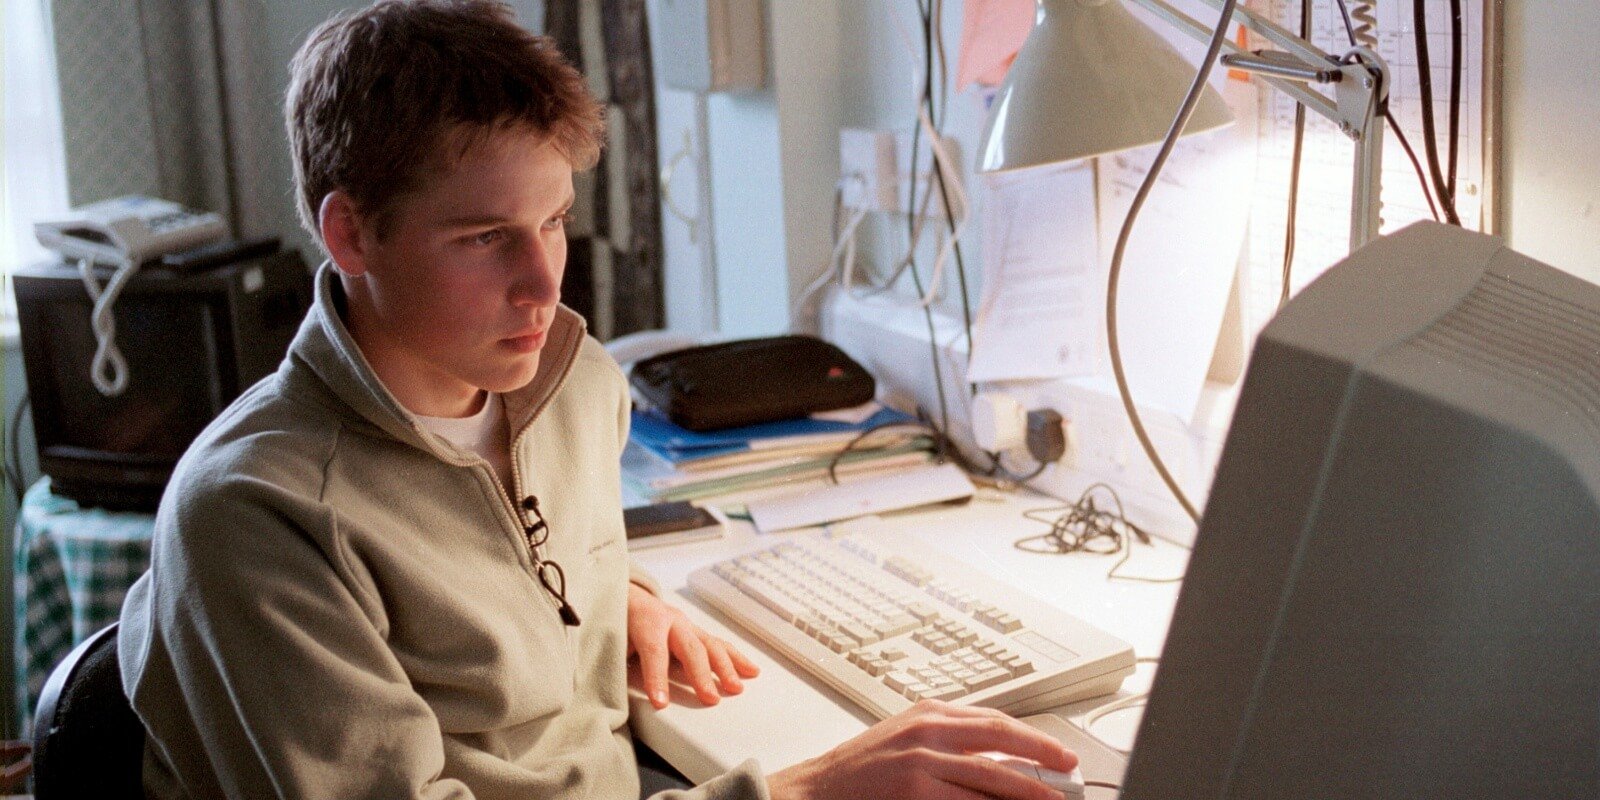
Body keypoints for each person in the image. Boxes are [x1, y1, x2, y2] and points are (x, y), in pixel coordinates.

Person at [117, 2, 1078, 798]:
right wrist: (800, 792)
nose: (545, 287)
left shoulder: (575, 387)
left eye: (555, 221)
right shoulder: (254, 514)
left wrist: (618, 593)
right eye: (484, 237)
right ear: (352, 234)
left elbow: (503, 554)